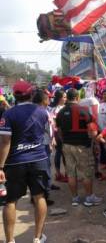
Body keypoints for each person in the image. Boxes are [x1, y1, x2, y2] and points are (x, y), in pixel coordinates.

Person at [0, 80, 48, 243]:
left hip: (15, 162)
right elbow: (45, 135)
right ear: (32, 94)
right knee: (39, 197)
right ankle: (37, 237)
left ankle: (10, 240)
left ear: (14, 95)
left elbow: (5, 142)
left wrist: (0, 166)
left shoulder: (8, 114)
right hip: (39, 159)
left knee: (10, 201)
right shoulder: (42, 112)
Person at [56, 88, 102, 207]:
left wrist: (64, 141)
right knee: (86, 172)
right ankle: (89, 198)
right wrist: (95, 142)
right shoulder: (83, 111)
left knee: (71, 173)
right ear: (77, 98)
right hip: (82, 146)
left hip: (67, 146)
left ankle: (75, 198)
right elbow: (92, 130)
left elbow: (59, 131)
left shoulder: (61, 112)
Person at [32, 90, 60, 204]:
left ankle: (46, 186)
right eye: (48, 98)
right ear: (43, 100)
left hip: (41, 142)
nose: (50, 100)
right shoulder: (42, 112)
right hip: (42, 143)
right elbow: (47, 128)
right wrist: (50, 140)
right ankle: (43, 195)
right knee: (44, 168)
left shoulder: (36, 110)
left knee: (45, 167)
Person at [49, 90, 68, 183]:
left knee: (64, 153)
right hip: (58, 134)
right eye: (64, 97)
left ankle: (66, 173)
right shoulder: (55, 109)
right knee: (60, 152)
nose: (65, 99)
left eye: (65, 97)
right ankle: (58, 174)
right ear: (59, 98)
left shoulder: (65, 107)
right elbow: (53, 124)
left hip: (65, 133)